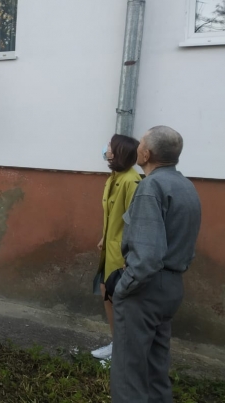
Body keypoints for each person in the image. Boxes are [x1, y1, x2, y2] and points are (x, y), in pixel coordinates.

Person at [104, 126, 201, 403]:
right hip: (171, 286)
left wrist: (123, 288)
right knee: (155, 369)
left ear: (146, 154)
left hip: (145, 289)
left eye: (141, 144)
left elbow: (147, 257)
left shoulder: (150, 187)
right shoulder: (186, 186)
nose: (137, 148)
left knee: (129, 375)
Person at [90, 134, 141, 361]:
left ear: (118, 151)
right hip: (110, 248)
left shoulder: (132, 181)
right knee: (106, 292)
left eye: (110, 145)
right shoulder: (114, 177)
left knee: (119, 300)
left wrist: (129, 256)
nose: (106, 148)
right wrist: (105, 236)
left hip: (122, 253)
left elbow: (135, 221)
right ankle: (116, 344)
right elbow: (114, 214)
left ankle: (122, 352)